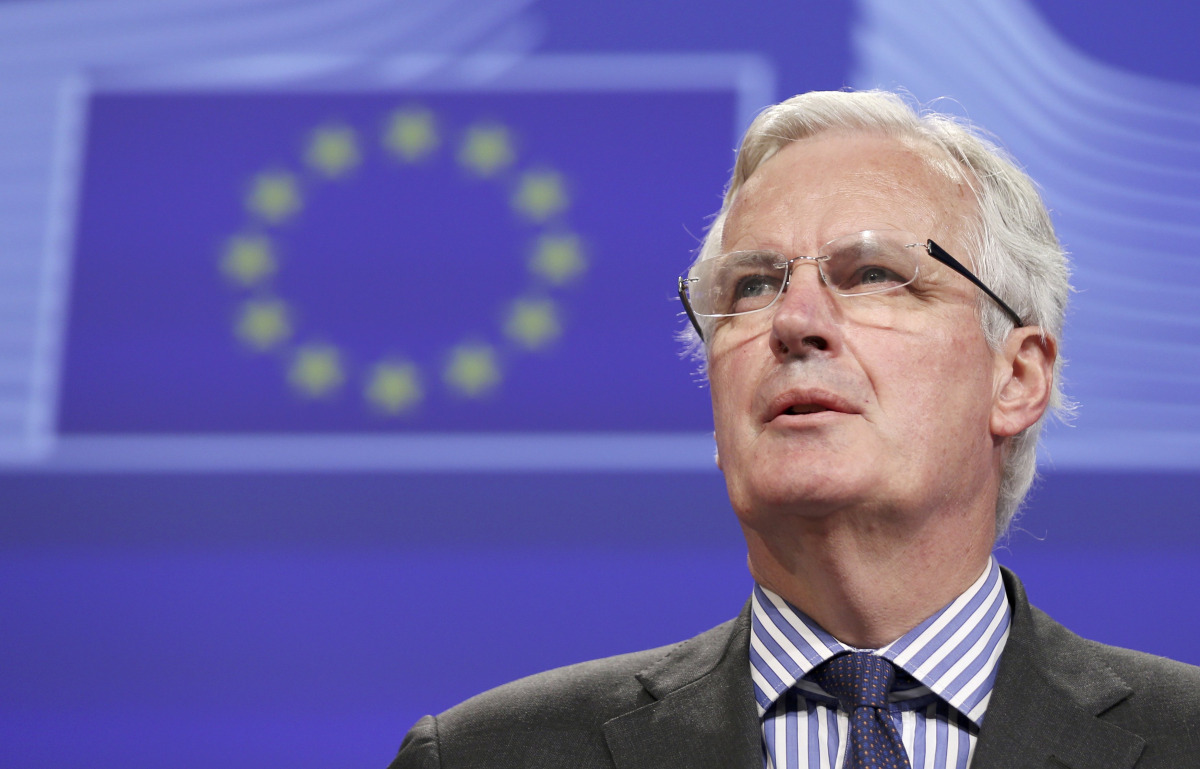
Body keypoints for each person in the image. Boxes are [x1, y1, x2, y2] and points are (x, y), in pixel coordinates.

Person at [389, 90, 1200, 769]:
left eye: (874, 274)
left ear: (1017, 376)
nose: (794, 321)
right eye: (751, 285)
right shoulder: (484, 756)